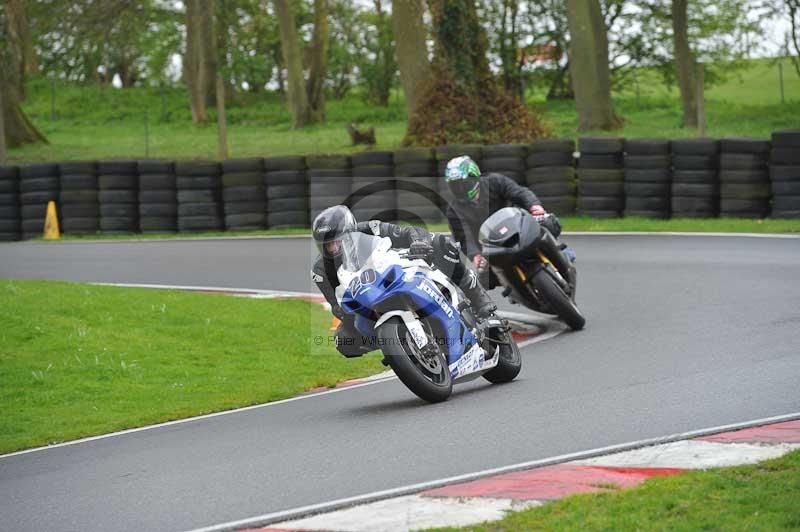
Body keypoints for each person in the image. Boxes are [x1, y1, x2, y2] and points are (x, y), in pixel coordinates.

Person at [311, 205, 498, 358]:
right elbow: (336, 304)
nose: (333, 248)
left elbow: (405, 232)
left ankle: (481, 303)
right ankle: (396, 346)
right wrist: (345, 310)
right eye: (327, 245)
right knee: (344, 340)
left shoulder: (371, 229)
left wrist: (418, 242)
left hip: (395, 272)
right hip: (366, 301)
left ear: (350, 232)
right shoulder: (320, 271)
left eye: (337, 241)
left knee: (441, 244)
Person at [443, 155, 575, 278]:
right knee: (483, 278)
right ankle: (514, 290)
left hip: (516, 227)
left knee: (548, 222)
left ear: (474, 177)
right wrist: (475, 256)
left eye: (463, 184)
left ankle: (560, 253)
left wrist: (534, 206)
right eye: (455, 186)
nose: (460, 189)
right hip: (491, 246)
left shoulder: (494, 182)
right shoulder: (454, 210)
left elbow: (519, 192)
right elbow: (464, 238)